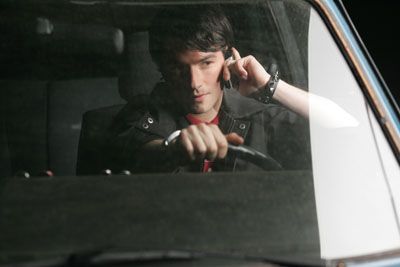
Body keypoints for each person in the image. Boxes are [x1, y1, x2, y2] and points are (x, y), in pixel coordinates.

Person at [108, 5, 312, 173]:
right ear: (161, 68)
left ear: (227, 59)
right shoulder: (142, 114)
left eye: (206, 63)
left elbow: (340, 127)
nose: (194, 83)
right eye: (177, 67)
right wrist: (174, 149)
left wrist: (271, 86)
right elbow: (136, 151)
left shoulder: (263, 118)